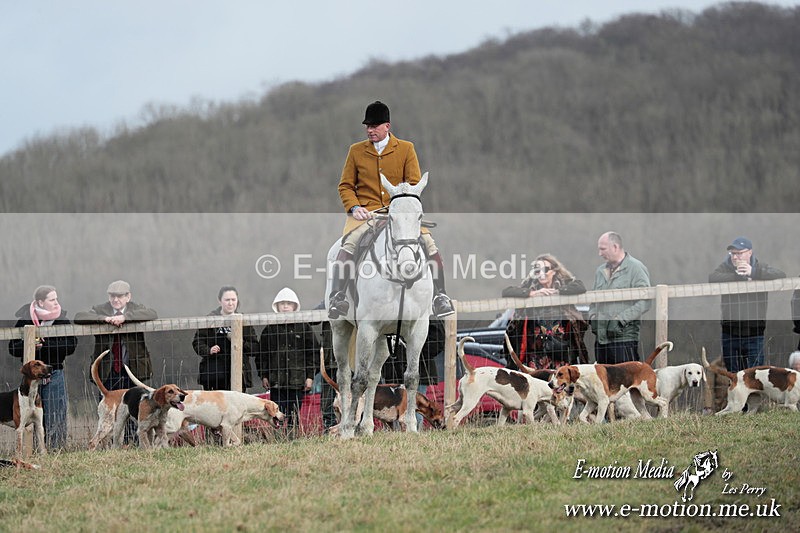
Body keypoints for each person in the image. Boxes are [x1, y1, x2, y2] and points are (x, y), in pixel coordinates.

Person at [327, 100, 454, 320]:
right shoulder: (356, 151)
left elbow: (414, 185)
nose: (370, 130)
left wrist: (400, 208)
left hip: (401, 214)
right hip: (365, 215)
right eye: (367, 126)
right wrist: (355, 207)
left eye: (374, 126)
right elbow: (345, 185)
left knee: (429, 245)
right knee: (349, 243)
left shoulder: (406, 149)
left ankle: (440, 296)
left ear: (387, 126)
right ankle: (338, 297)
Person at [8, 285, 78, 449]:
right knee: (28, 415)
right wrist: (31, 344)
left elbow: (71, 345)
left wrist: (45, 346)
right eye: (52, 299)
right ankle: (29, 450)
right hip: (30, 379)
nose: (56, 303)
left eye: (56, 299)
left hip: (55, 374)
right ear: (40, 301)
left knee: (56, 414)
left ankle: (56, 450)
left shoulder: (62, 320)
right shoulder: (24, 320)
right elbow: (12, 348)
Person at [708, 237, 785, 373]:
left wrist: (753, 273)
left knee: (755, 376)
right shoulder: (725, 268)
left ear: (750, 253)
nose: (736, 257)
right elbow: (713, 278)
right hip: (730, 333)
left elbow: (780, 274)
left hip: (754, 333)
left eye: (740, 253)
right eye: (733, 253)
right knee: (733, 377)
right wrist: (736, 277)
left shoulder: (760, 267)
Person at [501, 254, 588, 369]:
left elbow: (580, 287)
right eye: (538, 270)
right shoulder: (530, 285)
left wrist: (557, 292)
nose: (541, 273)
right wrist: (531, 294)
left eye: (546, 269)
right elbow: (507, 291)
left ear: (554, 271)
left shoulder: (564, 284)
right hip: (535, 350)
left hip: (560, 348)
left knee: (559, 382)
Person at [74, 280, 158, 391]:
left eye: (119, 296)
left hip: (134, 368)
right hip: (107, 370)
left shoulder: (136, 308)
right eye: (112, 296)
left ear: (128, 297)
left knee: (134, 404)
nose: (115, 300)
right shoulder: (101, 309)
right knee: (108, 406)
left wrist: (125, 318)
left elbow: (152, 313)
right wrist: (104, 319)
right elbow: (79, 317)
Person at [258, 288, 318, 432]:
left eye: (289, 303)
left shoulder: (304, 328)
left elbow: (313, 353)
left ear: (295, 306)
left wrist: (310, 376)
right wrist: (264, 375)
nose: (285, 306)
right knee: (277, 412)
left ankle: (292, 436)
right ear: (276, 306)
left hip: (297, 381)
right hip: (276, 381)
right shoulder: (270, 329)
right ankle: (278, 436)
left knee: (294, 413)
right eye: (282, 303)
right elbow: (262, 355)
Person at [590, 232, 651, 364]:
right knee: (603, 383)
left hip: (624, 339)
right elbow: (593, 300)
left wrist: (620, 320)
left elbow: (645, 301)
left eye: (603, 249)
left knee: (626, 382)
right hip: (601, 340)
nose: (600, 253)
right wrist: (593, 318)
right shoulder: (600, 271)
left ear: (615, 247)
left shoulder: (636, 269)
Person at [382, 316, 445, 430]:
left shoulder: (424, 307)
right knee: (392, 414)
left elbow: (438, 337)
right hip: (392, 371)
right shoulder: (388, 307)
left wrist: (415, 354)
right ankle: (395, 443)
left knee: (416, 413)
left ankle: (413, 441)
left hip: (419, 370)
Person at [193, 286, 258, 391]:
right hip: (214, 376)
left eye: (233, 300)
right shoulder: (209, 319)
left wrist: (240, 342)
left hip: (239, 375)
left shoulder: (245, 321)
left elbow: (255, 349)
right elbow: (197, 342)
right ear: (220, 301)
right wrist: (209, 350)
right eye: (227, 300)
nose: (230, 303)